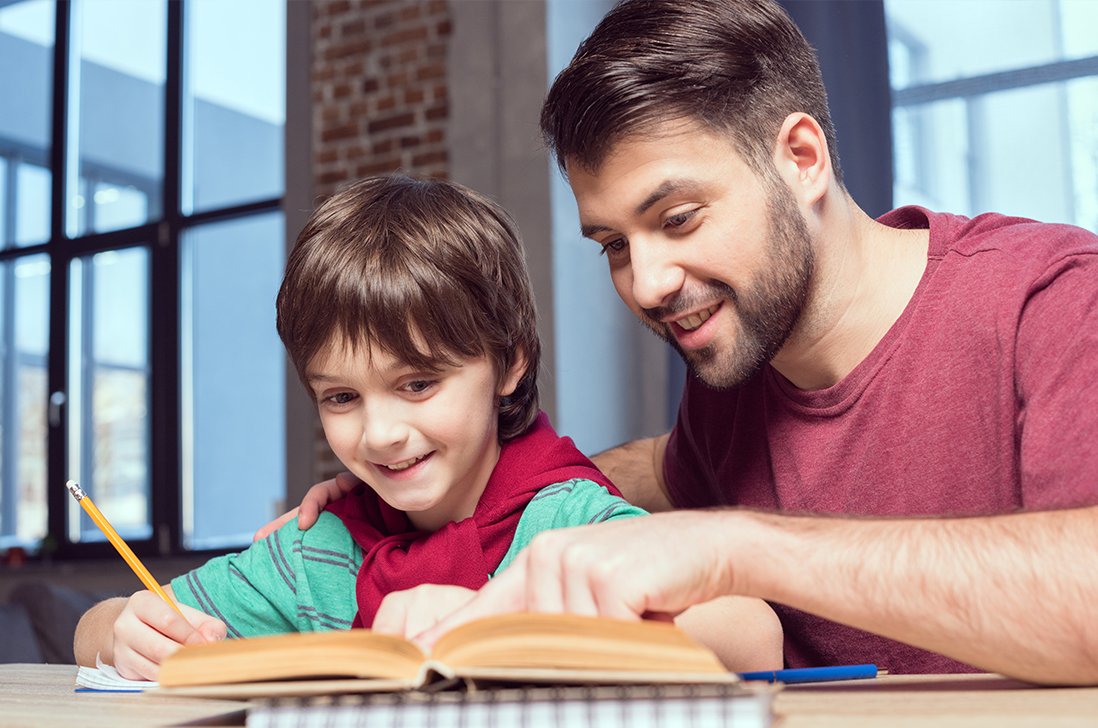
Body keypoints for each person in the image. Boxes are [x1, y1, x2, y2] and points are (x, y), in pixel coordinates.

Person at [275, 0, 1098, 685]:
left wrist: (736, 545)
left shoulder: (1050, 297)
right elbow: (652, 472)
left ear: (801, 158)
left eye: (677, 219)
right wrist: (382, 498)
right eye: (614, 245)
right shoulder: (732, 380)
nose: (647, 282)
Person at [72, 174, 781, 680]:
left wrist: (510, 621)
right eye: (342, 398)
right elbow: (98, 625)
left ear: (509, 364)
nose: (381, 433)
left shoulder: (570, 524)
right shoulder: (316, 550)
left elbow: (752, 633)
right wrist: (119, 631)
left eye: (418, 384)